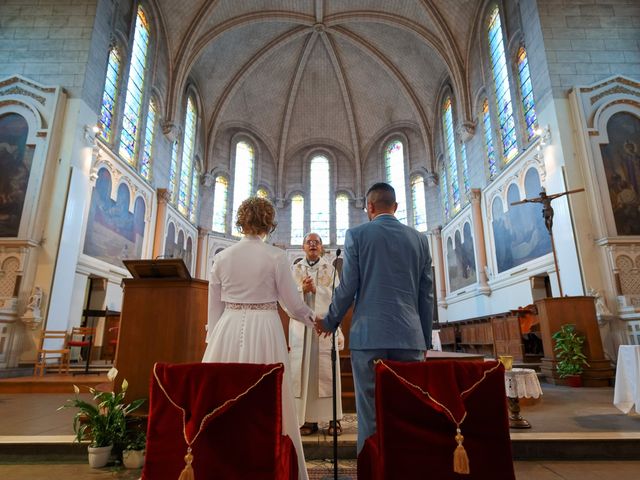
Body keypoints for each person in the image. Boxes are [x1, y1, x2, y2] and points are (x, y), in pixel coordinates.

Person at [315, 182, 434, 453]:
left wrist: (330, 321)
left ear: (369, 207)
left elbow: (347, 287)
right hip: (410, 338)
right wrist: (424, 340)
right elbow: (426, 295)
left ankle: (372, 468)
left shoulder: (357, 235)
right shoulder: (419, 239)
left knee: (369, 415)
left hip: (369, 337)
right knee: (408, 411)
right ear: (396, 207)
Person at [202, 197, 314, 480]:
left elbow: (214, 309)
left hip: (226, 329)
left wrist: (213, 341)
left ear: (241, 221)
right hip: (265, 328)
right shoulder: (276, 257)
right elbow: (292, 304)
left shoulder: (222, 257)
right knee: (268, 399)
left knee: (224, 398)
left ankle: (222, 465)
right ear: (268, 222)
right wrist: (315, 320)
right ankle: (267, 464)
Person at [289, 232, 344, 436]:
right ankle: (308, 420)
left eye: (317, 242)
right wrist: (301, 289)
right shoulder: (295, 269)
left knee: (328, 372)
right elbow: (285, 297)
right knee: (304, 374)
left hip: (324, 327)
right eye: (309, 242)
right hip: (302, 329)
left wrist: (315, 291)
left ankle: (333, 419)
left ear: (321, 247)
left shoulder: (330, 269)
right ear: (303, 247)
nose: (313, 245)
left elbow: (337, 298)